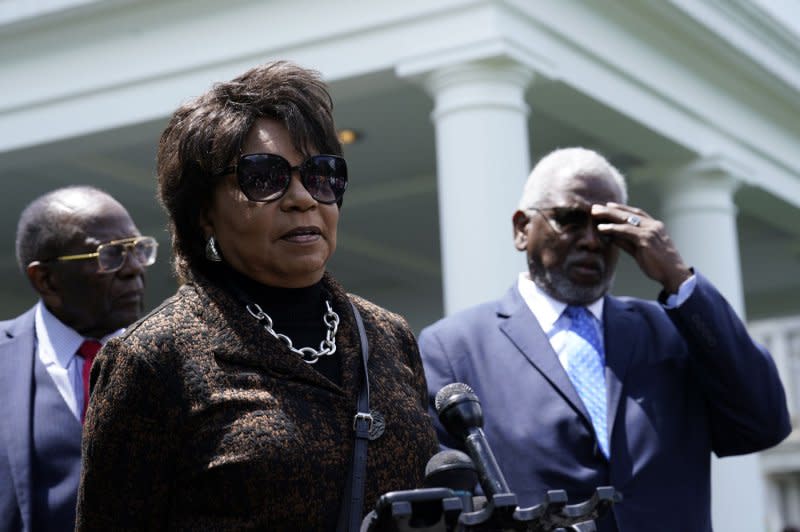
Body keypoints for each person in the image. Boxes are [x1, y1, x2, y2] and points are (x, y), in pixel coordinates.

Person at [75, 61, 439, 531]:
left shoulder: (389, 334)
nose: (303, 198)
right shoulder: (152, 357)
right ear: (203, 211)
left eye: (320, 174)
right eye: (265, 177)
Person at [419, 147, 791, 531]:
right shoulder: (453, 348)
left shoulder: (670, 330)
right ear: (521, 229)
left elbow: (763, 423)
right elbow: (446, 501)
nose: (592, 241)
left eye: (607, 227)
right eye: (570, 220)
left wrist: (679, 279)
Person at [0, 185, 155, 532]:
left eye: (137, 249)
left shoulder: (177, 355)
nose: (133, 269)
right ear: (46, 280)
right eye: (109, 255)